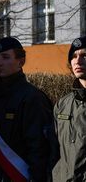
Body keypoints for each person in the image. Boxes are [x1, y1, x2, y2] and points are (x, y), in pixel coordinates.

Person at [0, 36, 55, 182]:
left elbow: (39, 148)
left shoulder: (32, 97)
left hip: (20, 176)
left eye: (5, 57)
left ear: (20, 62)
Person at [53, 36, 86, 181]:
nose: (78, 61)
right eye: (73, 56)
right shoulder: (62, 104)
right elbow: (53, 151)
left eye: (84, 55)